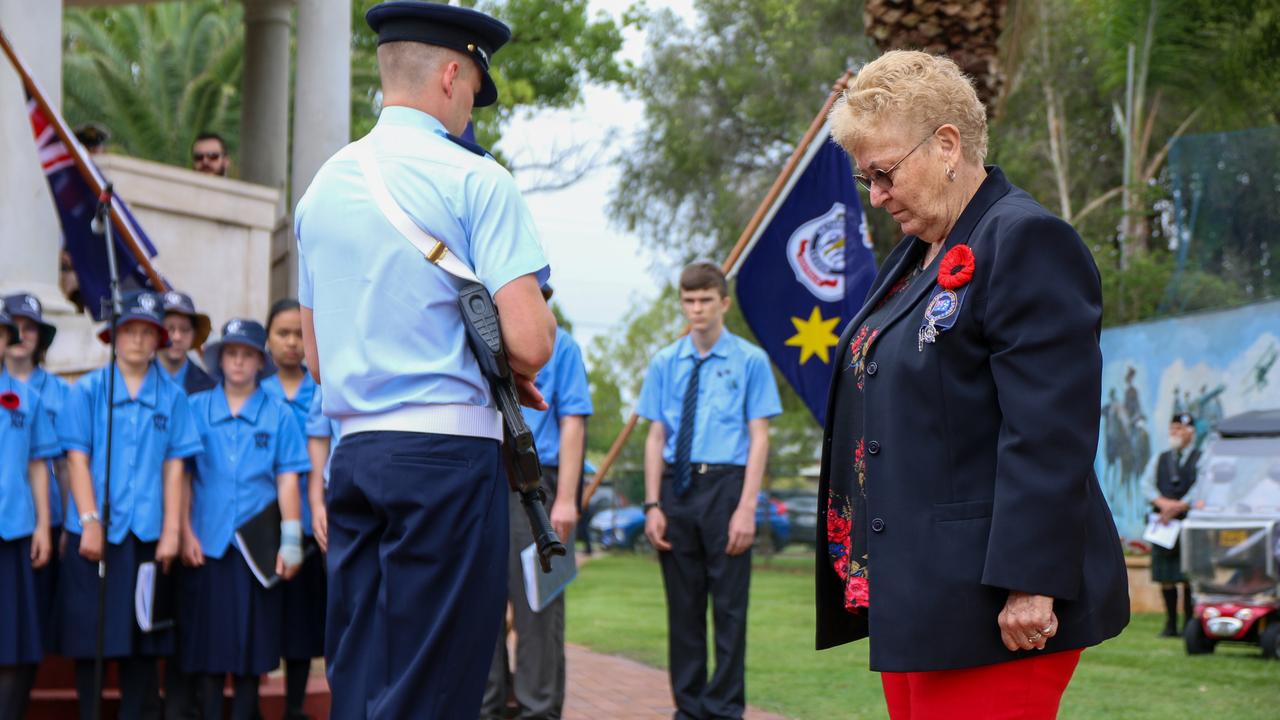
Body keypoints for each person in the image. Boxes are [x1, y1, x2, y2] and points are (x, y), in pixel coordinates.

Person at [815, 50, 1129, 718]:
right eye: (866, 177)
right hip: (921, 594)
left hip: (996, 603)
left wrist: (1031, 586)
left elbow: (1049, 431)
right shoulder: (914, 256)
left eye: (884, 173)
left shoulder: (1026, 240)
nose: (876, 196)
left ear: (948, 144)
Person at [293, 2, 555, 717]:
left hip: (354, 452)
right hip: (446, 454)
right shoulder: (477, 179)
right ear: (449, 74)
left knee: (362, 669)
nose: (470, 105)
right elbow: (532, 343)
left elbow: (314, 358)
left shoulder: (320, 190)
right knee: (434, 683)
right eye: (472, 86)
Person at [637, 261, 782, 720]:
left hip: (726, 487)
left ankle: (724, 709)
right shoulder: (664, 362)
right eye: (689, 300)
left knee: (729, 610)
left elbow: (759, 436)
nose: (696, 309)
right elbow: (656, 436)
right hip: (676, 487)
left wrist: (746, 509)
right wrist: (652, 503)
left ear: (723, 303)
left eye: (705, 300)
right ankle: (690, 708)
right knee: (683, 609)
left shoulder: (750, 361)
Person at [56, 289, 204, 720]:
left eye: (147, 332)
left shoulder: (173, 398)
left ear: (159, 339)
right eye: (129, 331)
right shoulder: (88, 390)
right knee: (93, 637)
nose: (137, 340)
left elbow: (175, 467)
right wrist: (88, 520)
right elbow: (77, 459)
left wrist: (173, 533)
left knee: (144, 640)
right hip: (96, 530)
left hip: (147, 532)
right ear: (113, 337)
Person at [179, 319, 308, 720]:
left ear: (259, 362)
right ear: (220, 360)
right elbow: (182, 475)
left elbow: (287, 479)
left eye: (247, 355)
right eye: (231, 354)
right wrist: (183, 531)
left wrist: (291, 540)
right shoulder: (196, 408)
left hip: (258, 548)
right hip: (208, 542)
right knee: (209, 651)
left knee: (254, 651)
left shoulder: (279, 415)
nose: (238, 362)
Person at [482, 283, 593, 720]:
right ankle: (486, 706)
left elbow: (573, 423)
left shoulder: (560, 346)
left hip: (541, 483)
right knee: (482, 602)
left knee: (539, 607)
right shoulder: (481, 339)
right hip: (486, 475)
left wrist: (566, 499)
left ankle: (538, 709)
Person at [258, 298, 326, 719]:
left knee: (301, 623)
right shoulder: (253, 391)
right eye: (283, 333)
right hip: (261, 526)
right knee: (263, 617)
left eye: (300, 334)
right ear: (267, 340)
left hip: (308, 523)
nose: (292, 343)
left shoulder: (320, 390)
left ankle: (295, 707)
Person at [3, 292, 72, 658]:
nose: (22, 334)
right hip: (13, 516)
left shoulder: (55, 392)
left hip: (38, 518)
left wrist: (62, 524)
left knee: (29, 621)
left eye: (31, 328)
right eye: (17, 326)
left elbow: (60, 463)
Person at [0, 307, 59, 719]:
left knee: (13, 640)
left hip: (13, 529)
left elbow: (39, 464)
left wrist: (42, 524)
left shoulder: (27, 399)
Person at [1151, 412, 1200, 637]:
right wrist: (1163, 504)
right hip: (1164, 524)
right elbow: (1146, 484)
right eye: (1173, 428)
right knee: (1166, 577)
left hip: (1188, 523)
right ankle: (1170, 624)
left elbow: (1202, 485)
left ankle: (1189, 624)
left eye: (1179, 429)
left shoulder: (1202, 457)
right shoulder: (1160, 457)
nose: (1175, 433)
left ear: (1191, 432)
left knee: (1188, 576)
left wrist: (1178, 506)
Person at [158, 290, 215, 396]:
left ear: (194, 334)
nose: (177, 337)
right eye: (169, 329)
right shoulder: (134, 378)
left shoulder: (210, 389)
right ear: (156, 332)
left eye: (185, 329)